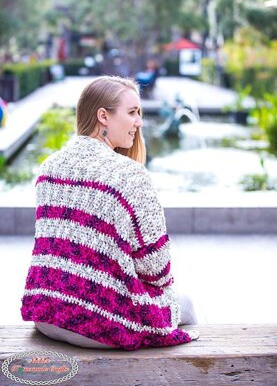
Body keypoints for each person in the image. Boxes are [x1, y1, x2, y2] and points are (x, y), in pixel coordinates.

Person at [21, 76, 198, 350]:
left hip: (46, 313)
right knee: (184, 303)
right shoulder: (130, 174)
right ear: (103, 116)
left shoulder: (49, 168)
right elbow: (157, 270)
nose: (139, 122)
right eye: (132, 112)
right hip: (97, 321)